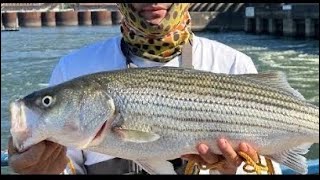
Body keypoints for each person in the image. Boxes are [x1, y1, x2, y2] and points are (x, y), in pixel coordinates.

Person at [8, 3, 282, 175]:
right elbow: (70, 168)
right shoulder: (74, 68)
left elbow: (268, 167)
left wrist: (230, 172)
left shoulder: (233, 64)